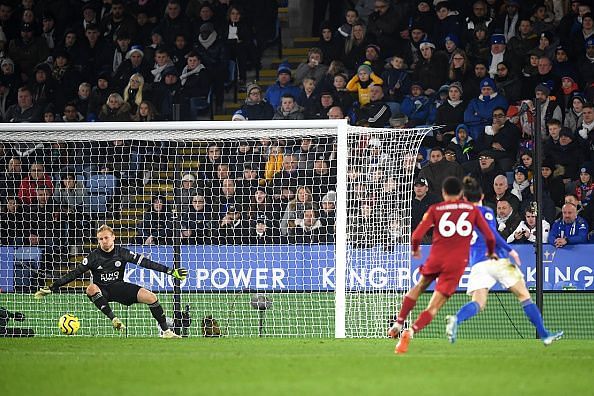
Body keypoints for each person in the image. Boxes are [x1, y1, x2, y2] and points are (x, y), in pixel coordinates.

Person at [445, 177, 563, 346]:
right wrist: (510, 250)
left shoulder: (459, 218)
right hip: (496, 259)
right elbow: (492, 235)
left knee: (478, 302)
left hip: (478, 263)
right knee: (523, 295)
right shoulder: (485, 211)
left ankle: (456, 319)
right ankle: (545, 334)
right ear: (481, 196)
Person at [388, 176, 496, 354]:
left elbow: (416, 235)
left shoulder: (435, 209)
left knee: (419, 286)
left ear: (444, 193)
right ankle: (411, 331)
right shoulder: (472, 210)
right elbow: (490, 236)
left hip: (436, 257)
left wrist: (415, 250)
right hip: (456, 263)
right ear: (461, 193)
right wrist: (491, 251)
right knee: (434, 307)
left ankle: (399, 322)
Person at [34, 224, 186, 338]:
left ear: (113, 237)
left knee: (151, 297)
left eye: (106, 237)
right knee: (90, 288)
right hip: (102, 290)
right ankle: (114, 319)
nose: (103, 241)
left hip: (118, 288)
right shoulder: (93, 256)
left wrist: (170, 271)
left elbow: (146, 263)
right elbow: (75, 273)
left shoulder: (122, 252)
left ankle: (166, 331)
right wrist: (53, 287)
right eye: (100, 239)